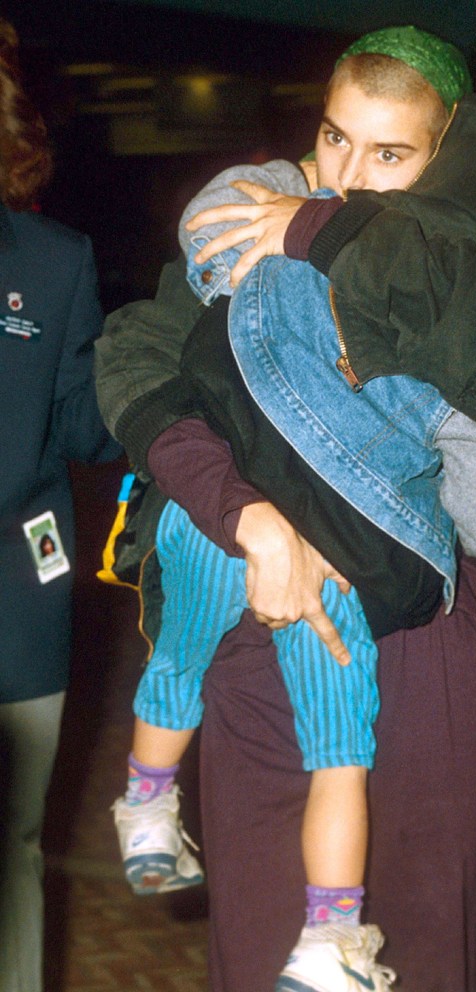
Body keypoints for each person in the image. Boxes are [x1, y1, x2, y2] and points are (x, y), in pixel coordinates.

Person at [96, 25, 476, 992]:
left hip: (417, 637)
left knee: (418, 941)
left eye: (391, 155)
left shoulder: (466, 251)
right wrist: (246, 514)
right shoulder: (253, 207)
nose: (350, 174)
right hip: (255, 614)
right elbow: (138, 358)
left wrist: (326, 240)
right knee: (258, 941)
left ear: (445, 152)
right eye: (334, 139)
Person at [0, 17, 122, 992]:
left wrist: (180, 386)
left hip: (15, 596)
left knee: (12, 845)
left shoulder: (53, 260)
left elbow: (87, 426)